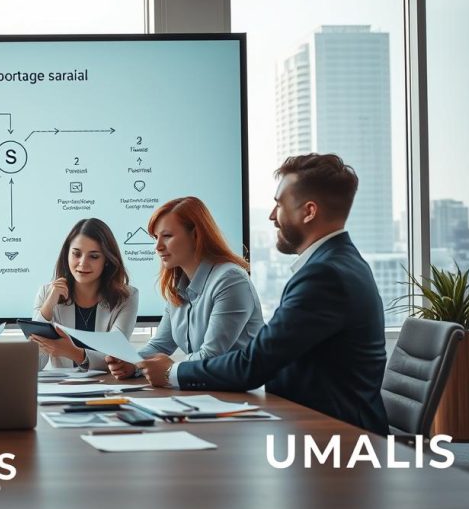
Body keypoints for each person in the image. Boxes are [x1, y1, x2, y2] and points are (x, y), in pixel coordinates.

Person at [136, 154, 389, 434]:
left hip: (336, 438)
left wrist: (173, 373)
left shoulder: (324, 275)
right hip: (314, 424)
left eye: (279, 204)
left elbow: (254, 363)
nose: (271, 216)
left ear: (309, 211)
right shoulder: (338, 264)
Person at [105, 197, 262, 377]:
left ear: (196, 234)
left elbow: (211, 356)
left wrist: (168, 368)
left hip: (243, 393)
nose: (158, 246)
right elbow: (160, 344)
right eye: (156, 238)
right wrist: (131, 362)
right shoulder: (178, 286)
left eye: (167, 236)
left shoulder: (230, 279)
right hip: (206, 390)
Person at [31, 218, 138, 371]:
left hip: (106, 389)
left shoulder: (127, 297)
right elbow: (35, 364)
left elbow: (116, 358)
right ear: (67, 254)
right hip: (63, 389)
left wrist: (73, 352)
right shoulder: (46, 293)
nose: (82, 263)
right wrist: (48, 307)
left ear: (107, 260)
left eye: (94, 256)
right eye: (76, 254)